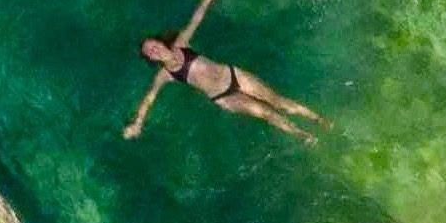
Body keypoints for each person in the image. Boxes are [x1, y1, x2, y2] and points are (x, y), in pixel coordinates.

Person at [136, 33, 324, 137]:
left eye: (154, 45)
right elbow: (149, 98)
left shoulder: (181, 43)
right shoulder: (165, 75)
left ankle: (318, 119)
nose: (154, 50)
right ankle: (303, 135)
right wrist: (138, 123)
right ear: (152, 58)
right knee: (267, 113)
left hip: (234, 75)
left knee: (277, 101)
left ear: (161, 42)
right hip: (224, 98)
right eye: (150, 52)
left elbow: (197, 17)